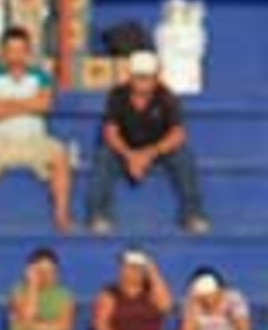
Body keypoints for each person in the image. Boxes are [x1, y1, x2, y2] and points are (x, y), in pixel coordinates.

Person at [0, 27, 72, 236]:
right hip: (0, 141)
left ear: (28, 52)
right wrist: (27, 103)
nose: (16, 56)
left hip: (35, 141)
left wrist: (6, 104)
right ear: (3, 53)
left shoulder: (41, 76)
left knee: (60, 154)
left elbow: (44, 105)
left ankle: (61, 214)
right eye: (11, 50)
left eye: (21, 50)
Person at [86, 51, 207, 235]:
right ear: (130, 76)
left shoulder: (166, 96)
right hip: (125, 149)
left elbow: (178, 134)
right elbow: (110, 132)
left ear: (156, 77)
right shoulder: (117, 95)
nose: (143, 82)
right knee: (104, 156)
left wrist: (149, 154)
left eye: (147, 77)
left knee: (183, 156)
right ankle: (99, 216)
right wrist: (130, 156)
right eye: (139, 77)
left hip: (157, 149)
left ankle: (193, 215)